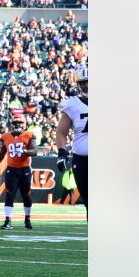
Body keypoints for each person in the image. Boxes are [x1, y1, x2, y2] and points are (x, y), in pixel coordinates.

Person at [0, 117, 38, 229]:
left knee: (26, 195)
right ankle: (8, 221)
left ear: (24, 124)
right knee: (9, 195)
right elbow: (2, 153)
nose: (17, 125)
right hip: (11, 169)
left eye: (19, 123)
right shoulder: (6, 136)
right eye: (15, 123)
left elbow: (35, 151)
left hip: (25, 169)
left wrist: (25, 151)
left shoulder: (29, 135)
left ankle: (27, 219)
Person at [55, 65, 88, 209]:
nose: (86, 85)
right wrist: (62, 153)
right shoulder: (73, 104)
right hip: (82, 161)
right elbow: (61, 132)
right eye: (83, 82)